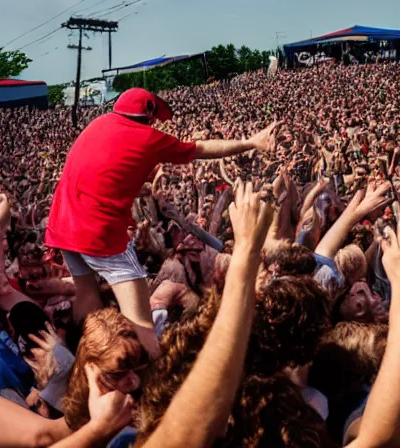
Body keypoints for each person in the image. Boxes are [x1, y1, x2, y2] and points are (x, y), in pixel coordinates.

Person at [44, 88, 279, 357]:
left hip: (63, 224)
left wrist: (135, 189)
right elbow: (200, 148)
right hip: (97, 233)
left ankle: (81, 358)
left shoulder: (99, 123)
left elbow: (102, 171)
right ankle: (155, 375)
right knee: (140, 315)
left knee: (86, 294)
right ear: (149, 117)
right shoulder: (147, 137)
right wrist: (252, 142)